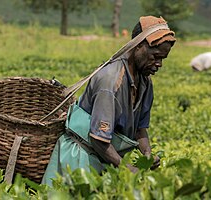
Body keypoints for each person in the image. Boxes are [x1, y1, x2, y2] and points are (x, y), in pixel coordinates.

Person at [42, 16, 176, 186]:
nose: (159, 64)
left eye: (162, 58)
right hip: (80, 159)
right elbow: (99, 140)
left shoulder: (145, 81)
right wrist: (126, 168)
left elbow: (140, 129)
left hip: (106, 158)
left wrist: (147, 155)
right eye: (155, 56)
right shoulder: (110, 81)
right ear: (139, 46)